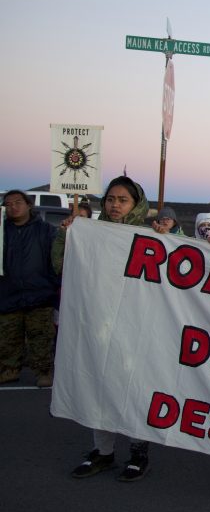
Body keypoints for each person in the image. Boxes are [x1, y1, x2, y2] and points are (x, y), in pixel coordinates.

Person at [55, 176, 156, 481]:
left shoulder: (149, 237)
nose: (115, 205)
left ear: (136, 204)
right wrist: (67, 236)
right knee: (98, 385)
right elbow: (61, 265)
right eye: (110, 199)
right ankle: (103, 451)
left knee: (130, 388)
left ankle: (139, 452)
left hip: (134, 327)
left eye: (123, 200)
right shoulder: (91, 234)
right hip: (98, 323)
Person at [0, 190, 59, 386]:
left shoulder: (45, 230)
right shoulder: (2, 230)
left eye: (18, 202)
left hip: (39, 293)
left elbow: (56, 258)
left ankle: (43, 372)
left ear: (28, 205)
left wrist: (55, 285)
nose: (13, 207)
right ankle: (10, 370)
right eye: (8, 204)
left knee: (41, 337)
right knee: (9, 336)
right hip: (8, 293)